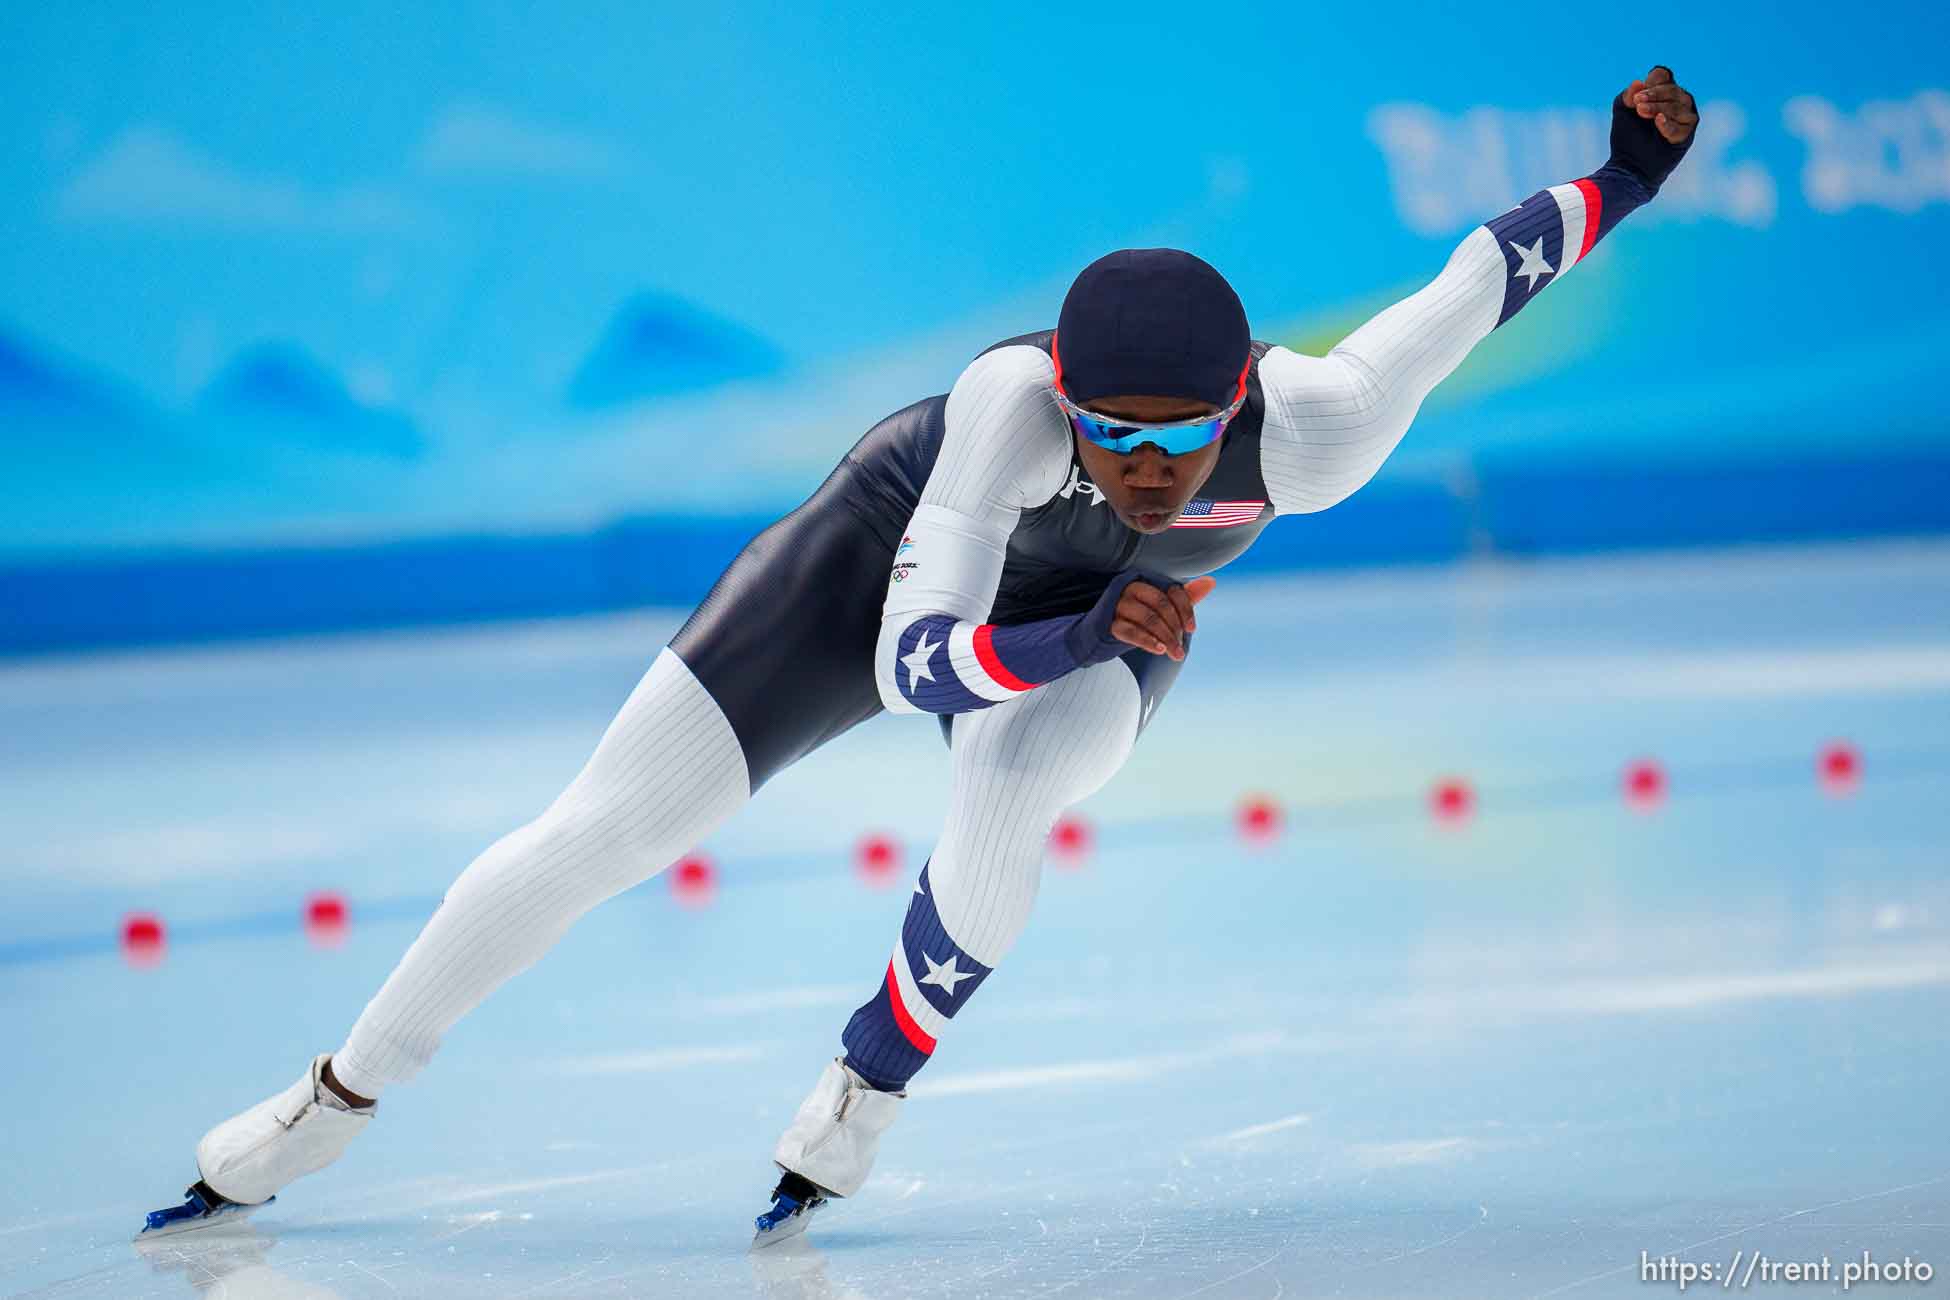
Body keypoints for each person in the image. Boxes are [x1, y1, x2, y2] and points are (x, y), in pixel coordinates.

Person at [141, 68, 1700, 1247]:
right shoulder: (999, 411)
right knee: (602, 833)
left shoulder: (1328, 427)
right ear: (1062, 395)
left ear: (1242, 397)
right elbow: (909, 664)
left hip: (1101, 624)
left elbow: (1482, 278)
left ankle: (864, 1084)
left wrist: (1625, 175)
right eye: (1111, 430)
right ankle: (333, 1098)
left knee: (1010, 809)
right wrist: (1091, 621)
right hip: (885, 566)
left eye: (1179, 435)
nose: (1148, 469)